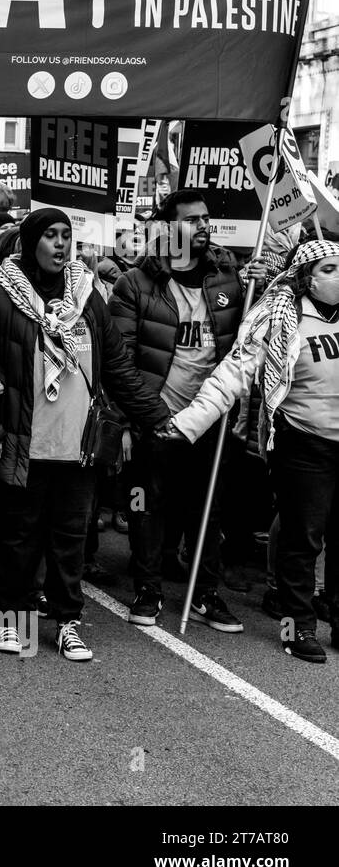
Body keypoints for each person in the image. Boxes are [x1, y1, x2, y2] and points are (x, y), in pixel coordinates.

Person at [0, 208, 170, 661]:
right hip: (23, 441)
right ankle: (10, 617)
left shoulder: (87, 297)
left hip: (78, 445)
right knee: (19, 536)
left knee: (70, 537)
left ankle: (67, 622)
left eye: (66, 236)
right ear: (31, 242)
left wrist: (156, 415)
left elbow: (116, 365)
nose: (60, 244)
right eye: (51, 236)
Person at [165, 240, 339, 663]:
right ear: (306, 278)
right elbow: (232, 375)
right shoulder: (281, 319)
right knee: (303, 538)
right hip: (303, 444)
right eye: (331, 269)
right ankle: (296, 628)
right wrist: (188, 423)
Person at [110, 189, 265, 631]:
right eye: (190, 220)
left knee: (207, 507)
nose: (201, 226)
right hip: (154, 415)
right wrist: (131, 419)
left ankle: (205, 593)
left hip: (210, 417)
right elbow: (119, 358)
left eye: (204, 219)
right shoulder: (135, 283)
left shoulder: (229, 276)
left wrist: (263, 285)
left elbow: (250, 340)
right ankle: (148, 589)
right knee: (146, 504)